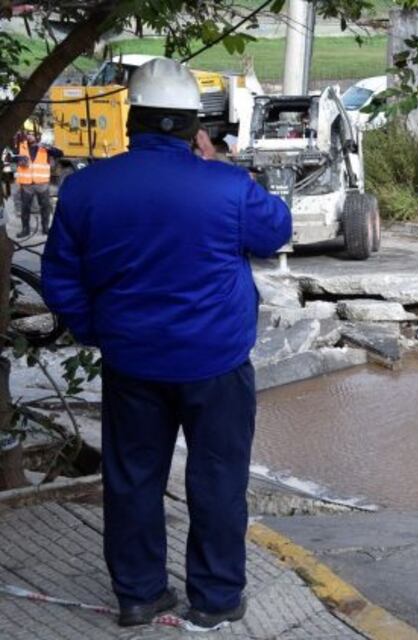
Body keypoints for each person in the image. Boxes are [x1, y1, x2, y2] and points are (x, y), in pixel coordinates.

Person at [41, 58, 291, 630]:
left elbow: (60, 278)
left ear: (133, 121)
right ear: (194, 127)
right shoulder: (227, 186)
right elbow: (276, 230)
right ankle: (216, 598)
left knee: (132, 479)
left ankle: (139, 594)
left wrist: (97, 330)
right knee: (218, 479)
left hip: (131, 362)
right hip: (216, 363)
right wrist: (220, 165)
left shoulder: (85, 188)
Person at [13, 121, 62, 237]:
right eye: (28, 134)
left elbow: (59, 154)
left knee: (45, 207)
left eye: (32, 134)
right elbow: (12, 157)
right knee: (25, 208)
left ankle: (45, 228)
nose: (29, 136)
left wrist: (48, 147)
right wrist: (18, 160)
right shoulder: (21, 146)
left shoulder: (44, 148)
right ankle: (25, 229)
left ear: (37, 135)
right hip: (26, 185)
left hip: (42, 184)